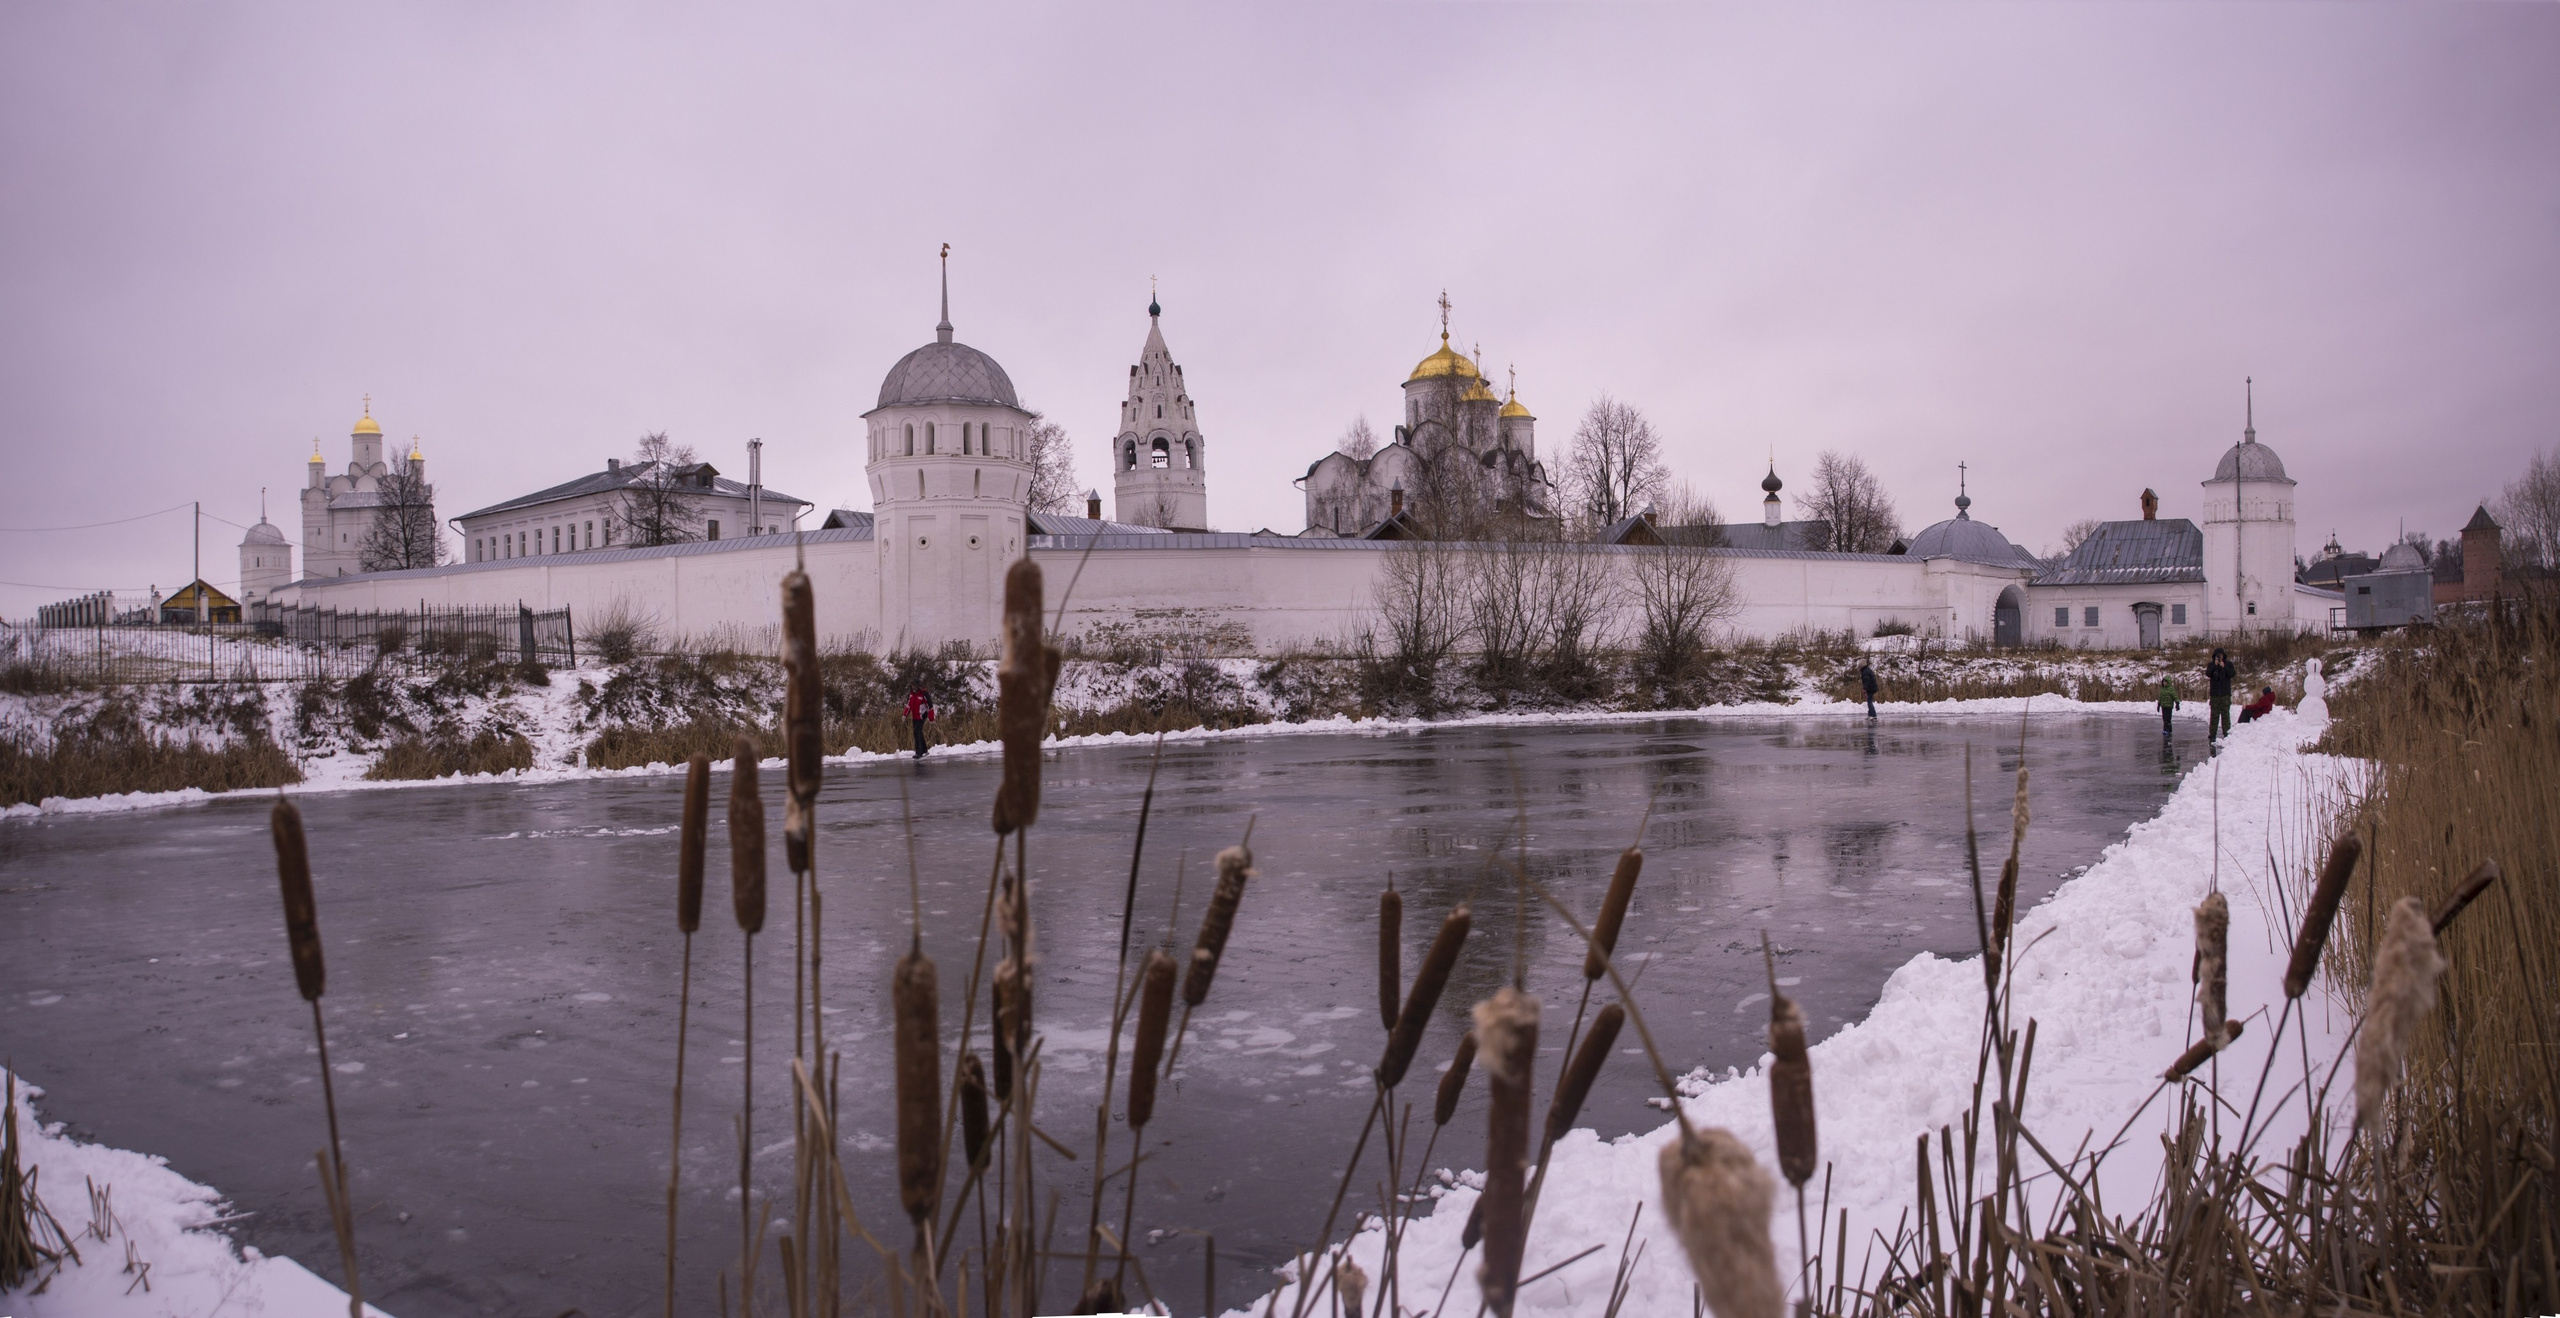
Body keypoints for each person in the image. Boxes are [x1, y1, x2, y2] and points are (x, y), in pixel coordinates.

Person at [2204, 647, 2235, 741]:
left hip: (2225, 694)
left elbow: (2232, 674)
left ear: (2223, 655)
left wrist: (2224, 666)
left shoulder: (2228, 664)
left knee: (2225, 715)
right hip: (2215, 695)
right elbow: (2208, 673)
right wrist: (2215, 665)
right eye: (2217, 655)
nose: (2219, 657)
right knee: (2214, 716)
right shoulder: (2211, 664)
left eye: (2220, 655)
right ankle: (2212, 734)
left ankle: (2227, 733)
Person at [905, 683, 936, 758]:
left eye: (914, 686)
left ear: (918, 686)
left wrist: (931, 718)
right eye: (912, 686)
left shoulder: (923, 693)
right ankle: (924, 750)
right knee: (918, 732)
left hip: (922, 716)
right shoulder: (911, 694)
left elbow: (930, 705)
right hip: (915, 716)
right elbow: (909, 705)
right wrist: (904, 715)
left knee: (916, 732)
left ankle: (919, 752)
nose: (913, 687)